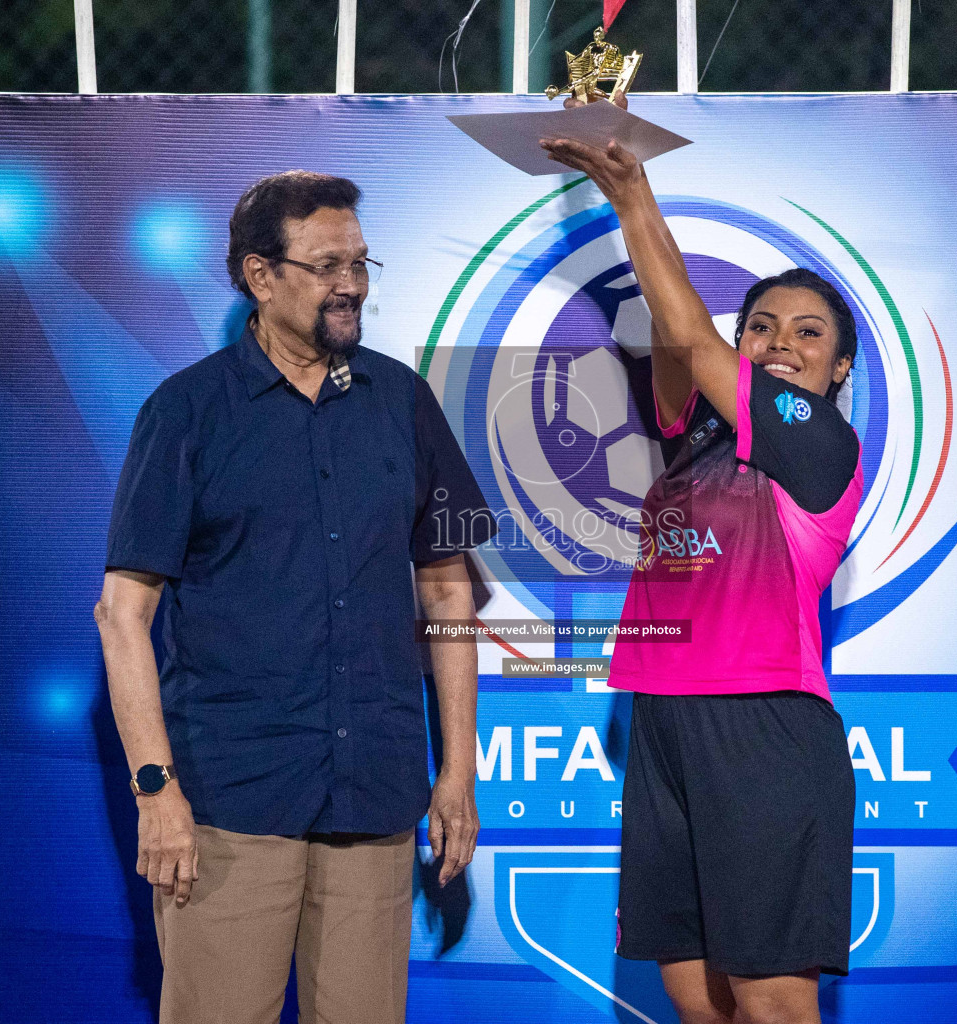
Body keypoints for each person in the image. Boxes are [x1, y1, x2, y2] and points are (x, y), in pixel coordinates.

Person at [93, 170, 495, 1024]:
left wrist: (457, 769)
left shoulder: (404, 401)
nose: (350, 283)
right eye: (325, 265)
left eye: (359, 262)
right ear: (260, 276)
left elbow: (447, 586)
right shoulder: (186, 412)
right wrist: (155, 789)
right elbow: (122, 613)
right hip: (229, 799)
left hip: (374, 794)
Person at [543, 125, 862, 1024]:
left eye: (809, 334)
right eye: (760, 327)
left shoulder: (818, 441)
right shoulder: (695, 443)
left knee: (768, 999)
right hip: (663, 720)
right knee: (692, 991)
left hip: (762, 724)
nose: (780, 343)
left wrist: (628, 192)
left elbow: (684, 322)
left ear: (837, 371)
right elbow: (675, 330)